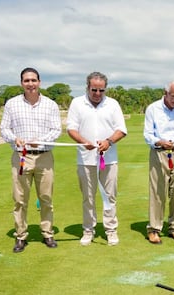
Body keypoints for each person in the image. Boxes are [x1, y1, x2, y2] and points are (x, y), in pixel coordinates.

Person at [0, 67, 62, 253]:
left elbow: (56, 130)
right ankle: (21, 236)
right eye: (26, 81)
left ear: (39, 82)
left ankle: (47, 232)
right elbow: (4, 129)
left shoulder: (50, 104)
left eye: (33, 80)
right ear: (21, 83)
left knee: (46, 198)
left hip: (44, 157)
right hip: (21, 157)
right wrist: (14, 138)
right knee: (20, 199)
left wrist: (42, 140)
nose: (30, 84)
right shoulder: (12, 104)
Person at [66, 72, 127, 246]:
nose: (98, 94)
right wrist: (83, 141)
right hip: (85, 159)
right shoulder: (77, 103)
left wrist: (109, 141)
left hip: (109, 159)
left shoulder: (113, 104)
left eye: (101, 90)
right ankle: (88, 230)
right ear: (87, 87)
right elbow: (71, 128)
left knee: (110, 197)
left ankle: (111, 230)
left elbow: (121, 129)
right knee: (88, 197)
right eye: (94, 90)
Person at [143, 81, 174, 244]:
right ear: (165, 92)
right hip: (159, 153)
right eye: (173, 96)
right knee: (158, 192)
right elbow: (148, 134)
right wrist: (160, 141)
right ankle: (154, 229)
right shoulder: (153, 109)